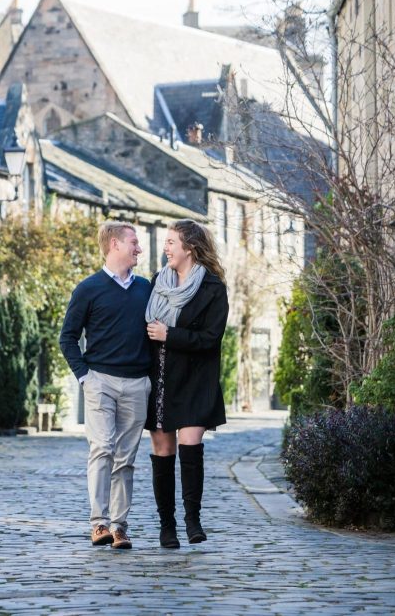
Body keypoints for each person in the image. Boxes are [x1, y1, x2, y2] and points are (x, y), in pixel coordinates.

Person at [59, 221, 152, 550]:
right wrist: (86, 377)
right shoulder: (88, 289)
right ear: (114, 245)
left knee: (126, 458)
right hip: (100, 382)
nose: (139, 248)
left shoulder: (146, 289)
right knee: (102, 448)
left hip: (138, 383)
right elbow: (67, 338)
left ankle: (120, 527)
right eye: (133, 243)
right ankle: (98, 523)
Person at [144, 219, 229, 548]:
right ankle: (167, 525)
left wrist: (171, 335)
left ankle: (193, 519)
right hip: (162, 378)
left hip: (195, 379)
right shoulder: (158, 282)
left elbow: (211, 338)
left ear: (189, 248)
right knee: (163, 451)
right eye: (165, 242)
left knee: (191, 446)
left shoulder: (212, 288)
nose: (165, 248)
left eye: (170, 242)